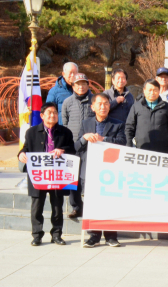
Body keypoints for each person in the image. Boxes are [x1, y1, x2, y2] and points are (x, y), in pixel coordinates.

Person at [17, 102, 75, 246]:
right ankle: (37, 235)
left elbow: (72, 150)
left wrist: (62, 150)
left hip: (57, 175)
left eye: (55, 112)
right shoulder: (31, 132)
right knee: (37, 207)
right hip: (39, 175)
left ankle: (56, 234)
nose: (53, 115)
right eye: (49, 112)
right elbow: (25, 148)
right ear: (42, 116)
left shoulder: (65, 132)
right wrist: (21, 154)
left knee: (57, 207)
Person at [75, 94, 126, 248]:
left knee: (110, 203)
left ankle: (111, 236)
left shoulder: (117, 124)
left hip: (110, 171)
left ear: (109, 106)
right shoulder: (85, 123)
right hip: (91, 169)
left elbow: (123, 143)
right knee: (93, 203)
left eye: (105, 103)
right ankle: (94, 236)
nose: (103, 107)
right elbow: (77, 146)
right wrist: (84, 138)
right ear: (93, 107)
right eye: (99, 104)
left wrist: (104, 140)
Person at [61, 73, 94, 218]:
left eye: (83, 83)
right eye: (77, 84)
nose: (81, 86)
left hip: (91, 146)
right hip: (73, 146)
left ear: (88, 85)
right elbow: (65, 123)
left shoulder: (95, 100)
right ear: (72, 86)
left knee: (88, 177)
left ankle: (90, 206)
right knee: (72, 177)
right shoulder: (67, 102)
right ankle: (76, 207)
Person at [125, 79, 168, 154]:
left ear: (159, 91)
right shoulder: (136, 107)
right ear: (144, 90)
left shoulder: (167, 107)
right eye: (149, 90)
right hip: (141, 149)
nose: (152, 93)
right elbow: (129, 128)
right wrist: (129, 146)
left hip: (163, 151)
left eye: (155, 90)